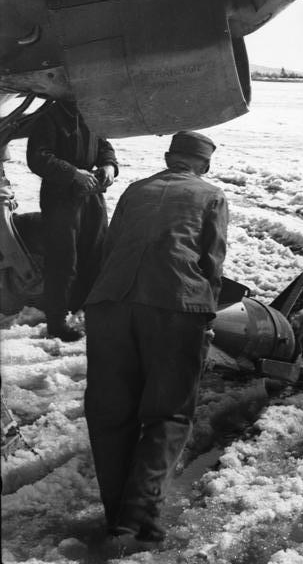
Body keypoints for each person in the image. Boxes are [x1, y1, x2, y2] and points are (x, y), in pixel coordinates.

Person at [84, 130, 228, 553]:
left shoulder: (135, 188)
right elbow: (212, 262)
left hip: (109, 303)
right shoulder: (212, 196)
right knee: (168, 414)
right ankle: (137, 522)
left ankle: (116, 520)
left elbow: (110, 245)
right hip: (174, 307)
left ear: (168, 157)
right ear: (205, 165)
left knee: (111, 413)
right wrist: (206, 312)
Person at [26, 100, 118, 342]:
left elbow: (104, 145)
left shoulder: (91, 112)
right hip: (60, 197)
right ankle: (57, 322)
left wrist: (109, 165)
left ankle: (88, 312)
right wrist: (73, 173)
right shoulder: (49, 117)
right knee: (63, 259)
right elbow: (38, 158)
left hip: (91, 195)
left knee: (96, 253)